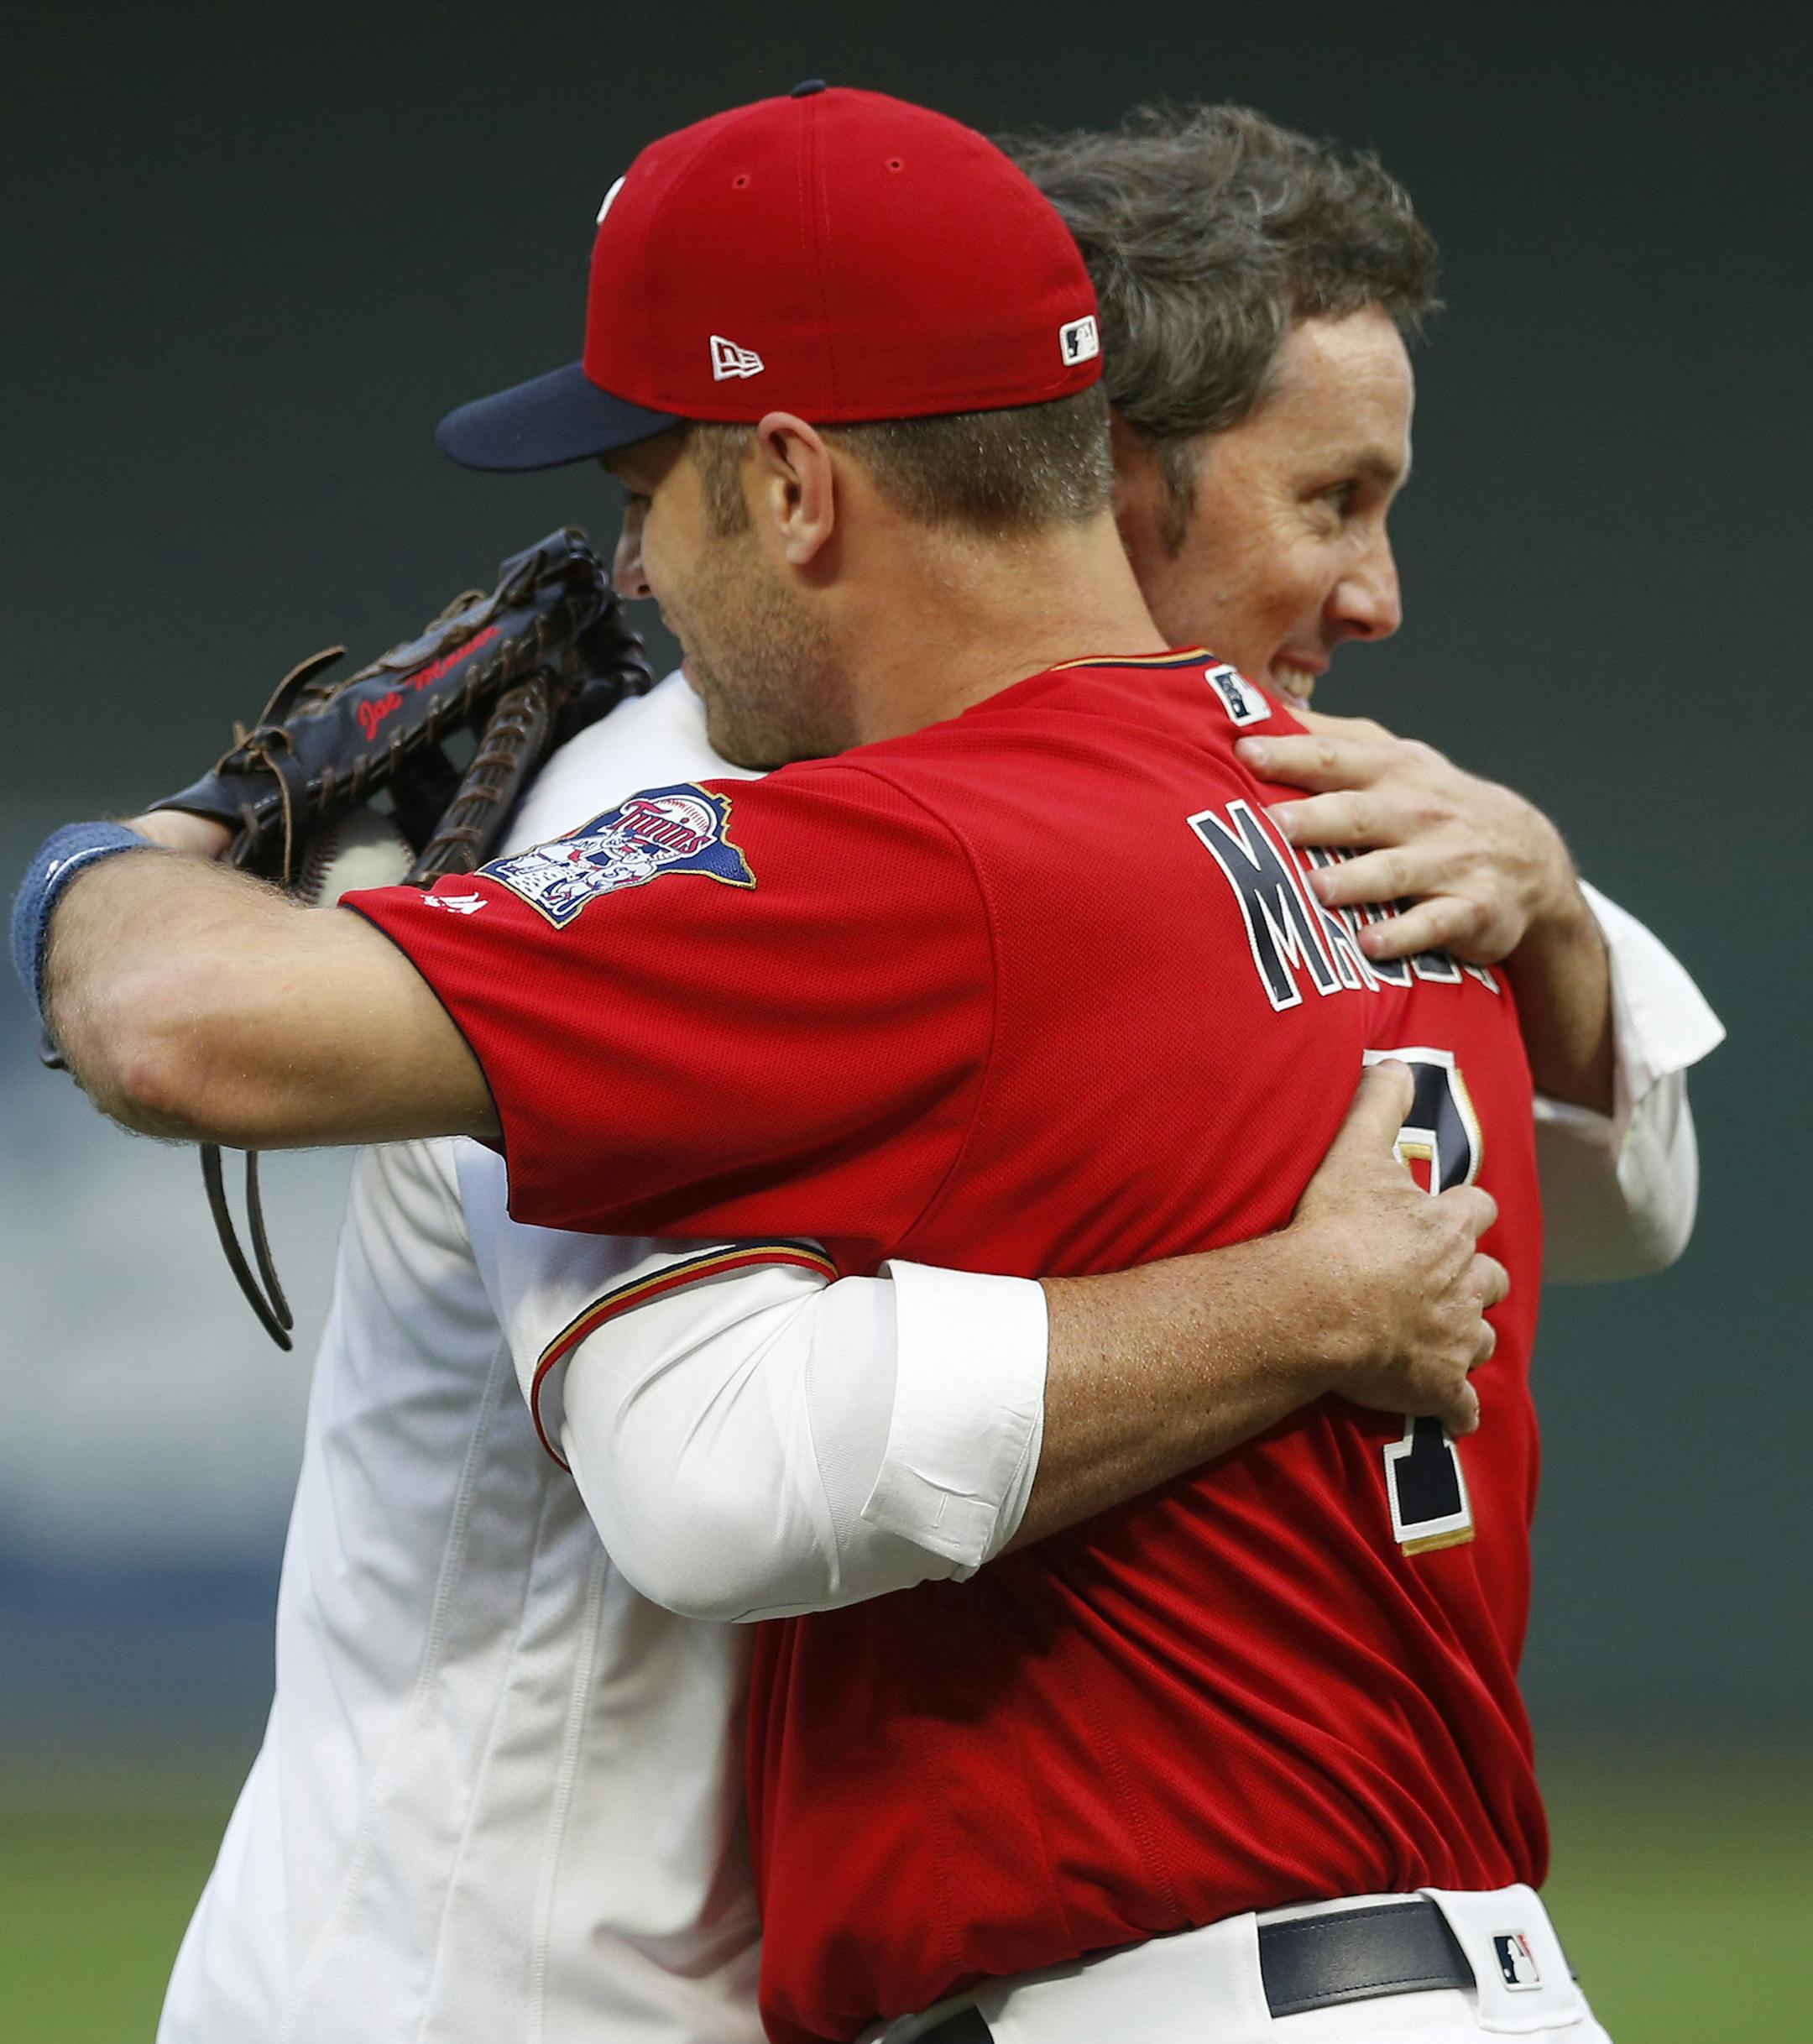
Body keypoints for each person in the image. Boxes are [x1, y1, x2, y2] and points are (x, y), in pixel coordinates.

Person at [18, 89, 1714, 2044]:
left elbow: (713, 1474)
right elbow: (1612, 1186)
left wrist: (113, 859)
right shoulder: (1328, 826)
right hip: (495, 1980)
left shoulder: (931, 843)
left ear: (803, 485)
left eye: (651, 485)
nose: (625, 565)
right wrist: (1319, 1275)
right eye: (1330, 499)